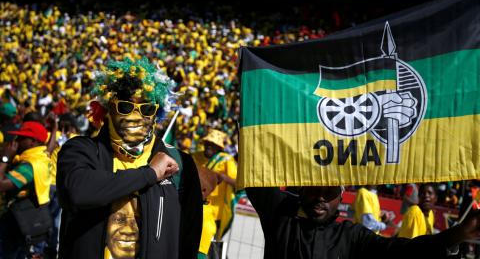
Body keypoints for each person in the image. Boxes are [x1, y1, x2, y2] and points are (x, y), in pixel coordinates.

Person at [56, 57, 203, 259]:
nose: (136, 115)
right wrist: (149, 174)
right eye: (125, 107)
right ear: (107, 109)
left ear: (156, 114)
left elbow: (188, 239)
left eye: (147, 108)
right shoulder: (82, 150)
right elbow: (78, 192)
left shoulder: (180, 163)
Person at [246, 185, 480, 259]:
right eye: (314, 189)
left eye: (329, 193)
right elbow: (255, 172)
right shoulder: (281, 216)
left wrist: (454, 236)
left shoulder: (351, 235)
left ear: (341, 196)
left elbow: (401, 251)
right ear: (302, 189)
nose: (320, 198)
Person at [0, 121, 52, 258]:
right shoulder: (42, 157)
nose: (16, 140)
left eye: (21, 138)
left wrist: (5, 158)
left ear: (33, 142)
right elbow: (50, 147)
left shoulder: (29, 166)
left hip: (14, 221)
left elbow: (1, 185)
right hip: (26, 219)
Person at [197, 129, 237, 259]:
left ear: (219, 148)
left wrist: (222, 177)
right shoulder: (195, 156)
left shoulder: (226, 160)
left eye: (213, 144)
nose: (209, 146)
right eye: (207, 142)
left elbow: (238, 183)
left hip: (215, 214)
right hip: (197, 209)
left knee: (209, 248)